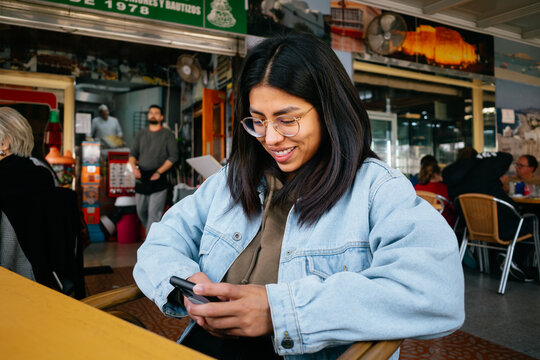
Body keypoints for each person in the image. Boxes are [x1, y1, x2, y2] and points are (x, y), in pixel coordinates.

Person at [133, 33, 464, 360]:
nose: (271, 138)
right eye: (258, 121)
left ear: (328, 111)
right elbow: (161, 241)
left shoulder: (376, 189)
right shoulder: (231, 181)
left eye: (287, 120)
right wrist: (189, 287)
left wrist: (281, 312)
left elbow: (435, 292)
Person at [443, 149, 536, 281]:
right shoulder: (486, 178)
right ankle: (514, 260)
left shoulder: (456, 180)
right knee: (532, 223)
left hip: (473, 229)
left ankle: (503, 256)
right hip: (501, 229)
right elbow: (506, 156)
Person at [129, 105, 178, 234]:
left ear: (161, 117)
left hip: (159, 177)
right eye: (151, 112)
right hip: (141, 176)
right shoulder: (140, 134)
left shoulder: (167, 135)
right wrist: (134, 168)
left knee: (154, 213)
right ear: (148, 115)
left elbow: (174, 156)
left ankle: (149, 243)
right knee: (141, 211)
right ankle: (152, 235)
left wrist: (158, 172)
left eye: (156, 113)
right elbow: (132, 154)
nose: (153, 115)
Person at [414, 160, 456, 227]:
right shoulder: (442, 187)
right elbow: (450, 207)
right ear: (437, 174)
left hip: (422, 223)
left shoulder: (416, 187)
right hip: (442, 223)